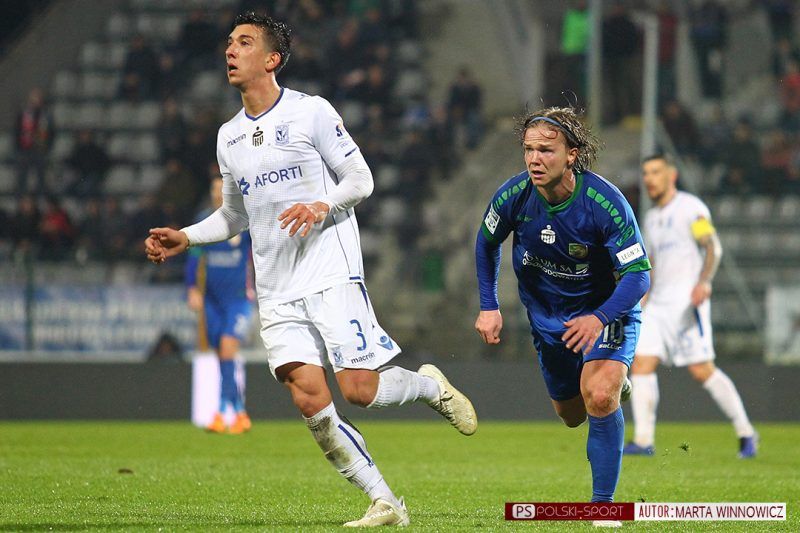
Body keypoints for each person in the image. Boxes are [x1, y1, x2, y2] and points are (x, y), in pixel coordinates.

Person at [144, 12, 476, 527]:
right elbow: (234, 215)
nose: (230, 50)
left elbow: (360, 180)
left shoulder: (311, 112)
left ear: (271, 59)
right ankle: (384, 501)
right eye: (230, 42)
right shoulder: (229, 136)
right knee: (310, 401)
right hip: (276, 286)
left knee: (359, 391)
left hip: (329, 271)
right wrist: (186, 237)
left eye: (245, 42)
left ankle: (430, 387)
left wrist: (321, 205)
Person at [474, 106, 650, 528]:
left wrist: (599, 317)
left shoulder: (604, 203)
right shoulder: (513, 196)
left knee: (600, 396)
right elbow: (486, 243)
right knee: (572, 416)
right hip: (549, 322)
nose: (535, 159)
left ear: (572, 154)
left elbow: (638, 276)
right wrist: (488, 305)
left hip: (606, 314)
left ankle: (603, 505)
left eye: (546, 150)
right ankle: (614, 385)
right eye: (529, 149)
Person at [624, 154, 757, 459]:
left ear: (671, 175)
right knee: (641, 364)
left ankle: (746, 432)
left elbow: (713, 247)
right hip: (657, 305)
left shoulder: (691, 208)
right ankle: (643, 440)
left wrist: (704, 281)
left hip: (686, 303)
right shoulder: (650, 218)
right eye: (646, 173)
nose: (649, 178)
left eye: (655, 172)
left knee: (701, 370)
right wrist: (641, 300)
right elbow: (651, 264)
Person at [185, 176, 254, 434]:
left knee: (227, 350)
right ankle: (239, 413)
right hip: (212, 301)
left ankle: (221, 413)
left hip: (238, 299)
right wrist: (192, 288)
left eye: (222, 189)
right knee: (222, 357)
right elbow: (193, 258)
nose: (218, 194)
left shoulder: (245, 220)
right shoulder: (205, 220)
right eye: (214, 189)